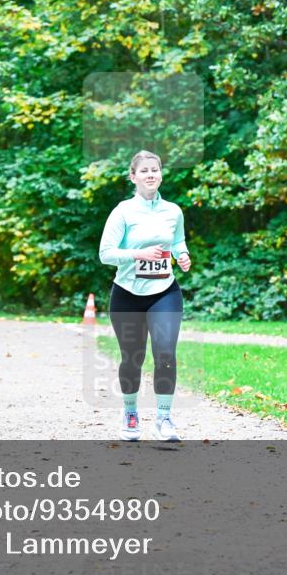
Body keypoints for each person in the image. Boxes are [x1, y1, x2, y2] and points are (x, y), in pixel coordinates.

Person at [98, 150, 192, 442]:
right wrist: (138, 254)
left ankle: (163, 419)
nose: (151, 175)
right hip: (127, 295)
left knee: (165, 353)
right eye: (144, 171)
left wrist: (184, 255)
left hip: (165, 292)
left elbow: (178, 241)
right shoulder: (123, 211)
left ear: (161, 174)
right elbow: (105, 254)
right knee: (132, 357)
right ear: (133, 176)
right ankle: (130, 413)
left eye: (155, 170)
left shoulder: (173, 211)